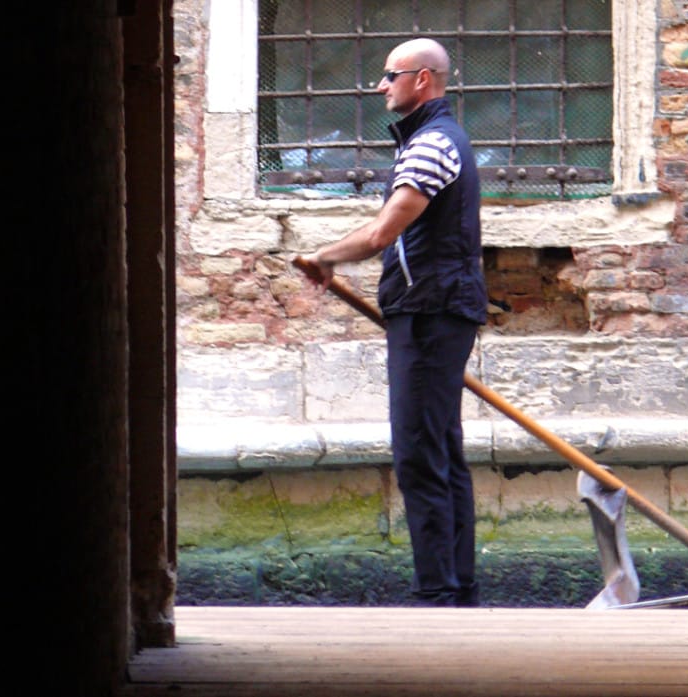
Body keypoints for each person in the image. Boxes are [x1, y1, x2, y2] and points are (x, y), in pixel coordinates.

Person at [301, 38, 487, 607]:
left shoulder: (432, 145)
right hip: (433, 309)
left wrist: (325, 257)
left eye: (390, 75)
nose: (381, 85)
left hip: (431, 311)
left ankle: (436, 593)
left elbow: (383, 233)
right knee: (440, 448)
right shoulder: (434, 140)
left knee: (417, 451)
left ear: (423, 80)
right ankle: (456, 589)